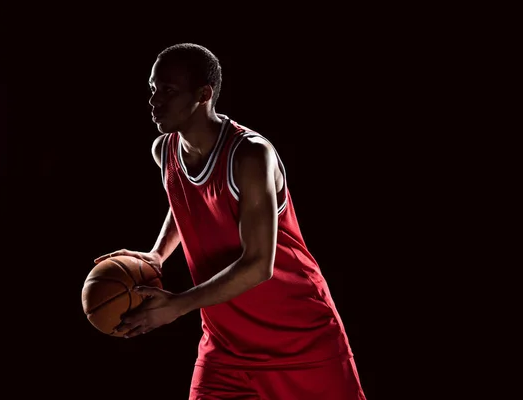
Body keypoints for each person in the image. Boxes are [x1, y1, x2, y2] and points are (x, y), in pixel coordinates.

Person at [94, 43, 367, 400]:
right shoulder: (165, 152)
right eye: (153, 89)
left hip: (299, 338)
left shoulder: (250, 156)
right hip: (226, 348)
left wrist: (177, 305)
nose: (154, 100)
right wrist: (158, 255)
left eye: (169, 91)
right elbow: (186, 203)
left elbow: (258, 265)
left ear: (203, 94)